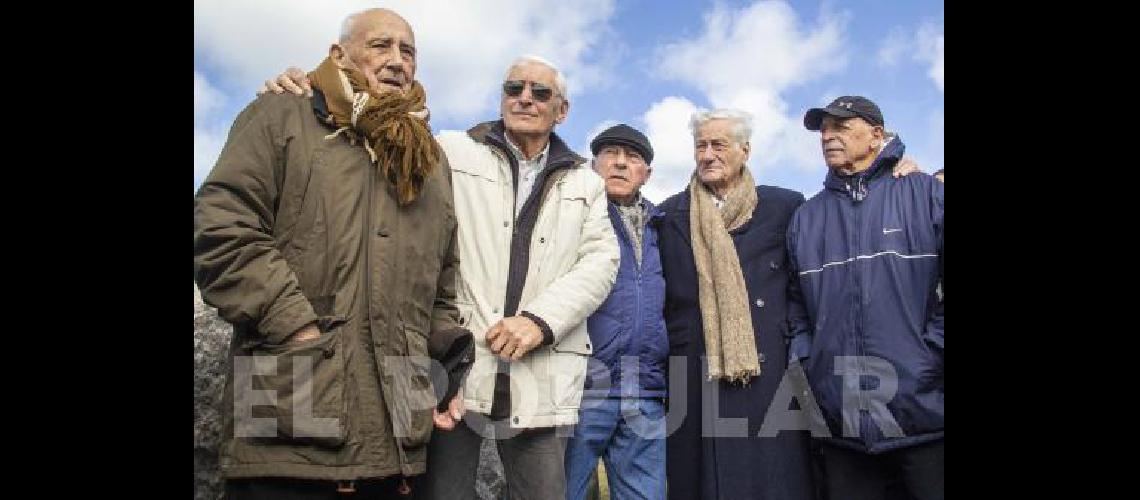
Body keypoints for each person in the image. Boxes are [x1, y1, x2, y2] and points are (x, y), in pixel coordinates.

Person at [194, 8, 472, 499]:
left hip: (397, 436)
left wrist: (442, 370)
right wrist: (295, 327)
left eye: (407, 51)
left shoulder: (429, 161)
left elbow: (441, 286)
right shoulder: (281, 115)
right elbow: (221, 226)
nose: (396, 60)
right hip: (288, 415)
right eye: (380, 46)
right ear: (338, 55)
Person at [787, 95, 944, 500]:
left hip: (925, 420)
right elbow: (796, 308)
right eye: (823, 130)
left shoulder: (927, 195)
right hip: (844, 429)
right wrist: (811, 362)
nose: (827, 136)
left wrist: (931, 355)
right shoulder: (806, 218)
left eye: (840, 126)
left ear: (876, 135)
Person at [564, 124, 668, 500]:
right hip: (583, 390)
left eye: (633, 157)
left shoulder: (664, 227)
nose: (620, 163)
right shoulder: (572, 218)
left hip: (645, 390)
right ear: (594, 164)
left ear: (647, 173)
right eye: (610, 153)